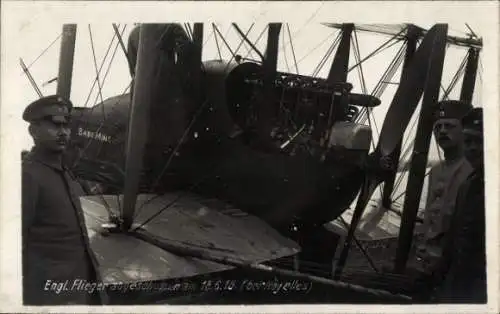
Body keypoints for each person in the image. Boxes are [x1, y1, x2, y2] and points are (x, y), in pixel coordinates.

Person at [22, 95, 103, 305]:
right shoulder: (28, 175)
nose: (63, 132)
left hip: (78, 289)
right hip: (50, 295)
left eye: (67, 126)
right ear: (33, 131)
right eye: (55, 125)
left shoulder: (63, 172)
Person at [436, 107, 487, 303]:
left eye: (480, 141)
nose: (473, 148)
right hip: (461, 283)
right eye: (468, 142)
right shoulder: (468, 186)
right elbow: (454, 236)